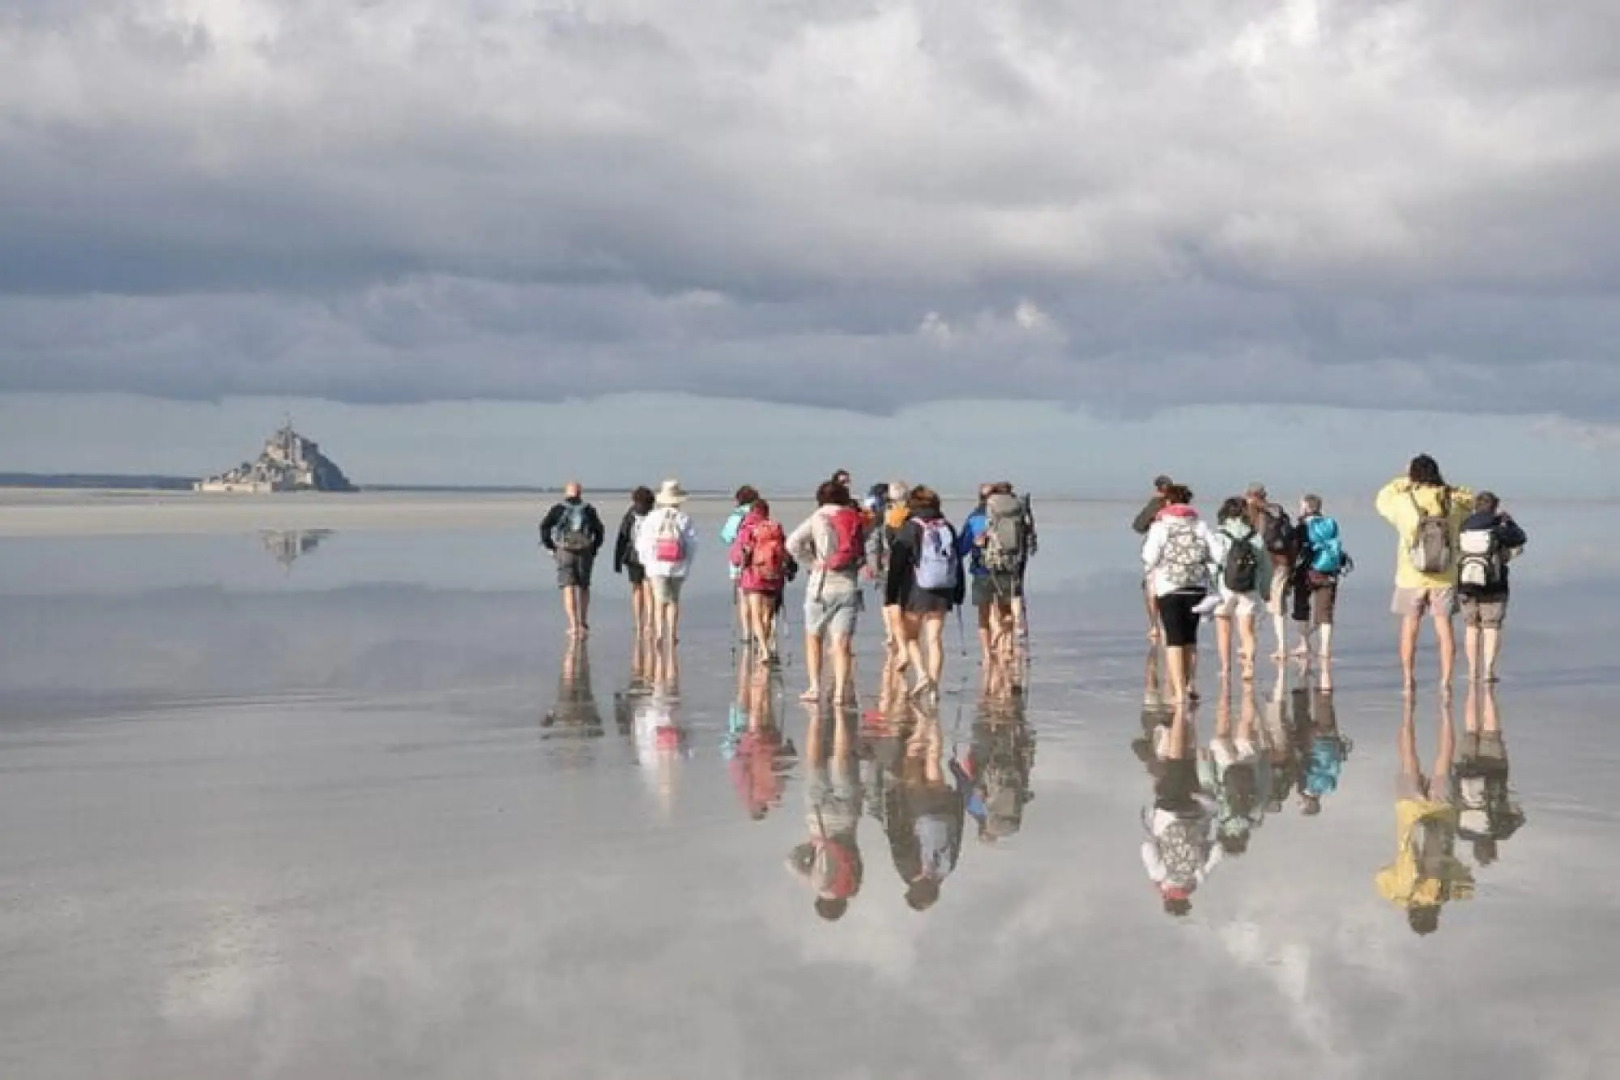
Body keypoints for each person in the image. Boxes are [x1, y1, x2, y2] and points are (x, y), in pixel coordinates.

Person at [1375, 692, 1473, 935]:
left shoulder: (1448, 890)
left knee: (1444, 760)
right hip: (1410, 813)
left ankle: (1446, 711)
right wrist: (1403, 899)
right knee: (1409, 760)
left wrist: (1443, 895)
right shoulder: (1400, 891)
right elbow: (1379, 877)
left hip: (1442, 813)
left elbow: (1469, 885)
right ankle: (1407, 711)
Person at [1376, 455, 1476, 690]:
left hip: (1411, 574)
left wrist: (1404, 481)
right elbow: (1471, 499)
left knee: (1410, 628)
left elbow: (1381, 499)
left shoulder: (1403, 501)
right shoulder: (1451, 501)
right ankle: (1446, 680)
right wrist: (1449, 487)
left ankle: (1408, 678)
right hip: (1445, 574)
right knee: (1444, 629)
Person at [787, 480, 868, 704]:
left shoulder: (818, 517)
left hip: (821, 585)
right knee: (841, 641)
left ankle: (814, 687)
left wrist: (812, 562)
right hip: (848, 584)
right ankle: (841, 691)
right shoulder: (854, 517)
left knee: (814, 636)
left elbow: (792, 543)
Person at [1141, 485, 1221, 704]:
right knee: (1190, 638)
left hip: (1169, 587)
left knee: (1174, 640)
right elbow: (1218, 554)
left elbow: (1149, 557)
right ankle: (1189, 683)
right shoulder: (1200, 526)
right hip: (1197, 587)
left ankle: (1179, 692)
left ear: (1167, 503)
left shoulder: (1160, 527)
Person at [787, 703, 865, 922]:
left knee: (841, 761)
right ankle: (815, 717)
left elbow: (856, 856)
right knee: (815, 762)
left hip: (847, 819)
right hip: (818, 819)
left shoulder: (853, 885)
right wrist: (812, 846)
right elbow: (792, 860)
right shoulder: (815, 882)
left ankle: (840, 717)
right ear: (819, 901)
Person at [1141, 701, 1220, 917]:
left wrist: (1203, 840)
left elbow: (1218, 849)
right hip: (1167, 813)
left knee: (1189, 760)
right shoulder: (1160, 876)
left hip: (1196, 810)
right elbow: (1147, 848)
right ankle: (1180, 710)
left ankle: (1188, 717)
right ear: (1167, 898)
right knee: (1174, 761)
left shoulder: (1198, 878)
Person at [885, 485, 964, 700]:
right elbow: (956, 562)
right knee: (935, 639)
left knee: (911, 637)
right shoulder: (946, 526)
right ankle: (934, 688)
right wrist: (958, 591)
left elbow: (897, 562)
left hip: (915, 590)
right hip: (943, 590)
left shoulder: (910, 527)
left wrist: (890, 595)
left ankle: (921, 674)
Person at [884, 705, 965, 911]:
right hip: (919, 811)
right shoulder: (908, 870)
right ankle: (922, 721)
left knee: (933, 761)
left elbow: (957, 836)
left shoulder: (946, 870)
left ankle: (933, 719)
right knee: (911, 761)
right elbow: (897, 835)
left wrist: (958, 803)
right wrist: (893, 800)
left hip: (945, 812)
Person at [1456, 492, 1527, 684]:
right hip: (1494, 584)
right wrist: (1509, 522)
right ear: (1495, 507)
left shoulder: (1464, 525)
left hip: (1467, 583)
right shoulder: (1497, 527)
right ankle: (1488, 671)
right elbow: (1521, 538)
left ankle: (1472, 671)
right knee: (1491, 627)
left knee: (1471, 627)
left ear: (1475, 506)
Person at [958, 481, 1025, 665]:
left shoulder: (975, 518)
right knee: (1006, 611)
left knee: (984, 616)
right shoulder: (1015, 515)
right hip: (1008, 568)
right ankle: (1005, 646)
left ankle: (988, 654)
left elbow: (962, 547)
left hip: (982, 570)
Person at [1292, 494, 1351, 683]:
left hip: (1306, 571)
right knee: (1325, 612)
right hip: (1329, 571)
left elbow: (1295, 548)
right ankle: (1325, 649)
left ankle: (1304, 644)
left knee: (1301, 607)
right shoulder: (1330, 523)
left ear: (1306, 508)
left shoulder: (1302, 526)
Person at [1211, 496, 1269, 684]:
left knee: (1223, 629)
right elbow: (1265, 566)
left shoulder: (1219, 535)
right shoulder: (1255, 536)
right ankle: (1249, 667)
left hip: (1223, 588)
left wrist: (1212, 585)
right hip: (1249, 587)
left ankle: (1225, 668)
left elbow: (1214, 564)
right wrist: (1265, 588)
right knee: (1247, 631)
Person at [635, 479, 700, 649]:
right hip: (678, 565)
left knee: (659, 600)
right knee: (673, 600)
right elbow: (692, 543)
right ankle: (672, 634)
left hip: (656, 566)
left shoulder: (652, 517)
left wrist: (647, 562)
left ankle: (659, 632)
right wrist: (687, 562)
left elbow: (643, 543)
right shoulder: (684, 518)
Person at [539, 481, 606, 640]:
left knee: (568, 587)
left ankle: (573, 625)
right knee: (584, 586)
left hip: (564, 551)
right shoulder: (588, 509)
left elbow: (544, 527)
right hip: (585, 551)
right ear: (580, 493)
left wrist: (551, 547)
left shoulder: (558, 509)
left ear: (566, 493)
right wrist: (594, 548)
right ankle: (583, 622)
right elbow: (599, 530)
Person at [730, 498, 790, 664]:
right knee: (767, 615)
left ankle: (763, 650)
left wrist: (738, 564)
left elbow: (736, 557)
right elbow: (785, 550)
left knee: (755, 614)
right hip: (773, 577)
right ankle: (767, 645)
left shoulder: (746, 529)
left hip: (752, 577)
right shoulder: (775, 527)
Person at [1244, 483, 1297, 661]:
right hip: (1282, 563)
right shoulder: (1278, 511)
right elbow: (1292, 539)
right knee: (1278, 606)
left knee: (1250, 604)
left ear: (1250, 496)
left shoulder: (1250, 513)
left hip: (1262, 564)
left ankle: (1248, 643)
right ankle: (1282, 647)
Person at [1133, 475, 1174, 641]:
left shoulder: (1155, 504)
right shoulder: (1181, 504)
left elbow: (1138, 526)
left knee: (1151, 589)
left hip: (1156, 552)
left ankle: (1155, 626)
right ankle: (1167, 624)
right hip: (1178, 552)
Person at [612, 486, 656, 638]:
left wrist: (617, 561)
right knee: (649, 588)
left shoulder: (630, 515)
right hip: (650, 556)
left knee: (636, 589)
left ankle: (638, 623)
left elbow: (622, 538)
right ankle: (650, 623)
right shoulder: (654, 514)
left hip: (633, 556)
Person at [720, 486, 761, 643]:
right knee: (757, 597)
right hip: (758, 561)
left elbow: (726, 537)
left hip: (739, 561)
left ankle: (747, 632)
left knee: (743, 597)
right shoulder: (760, 513)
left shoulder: (736, 515)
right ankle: (760, 631)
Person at [879, 479, 911, 660]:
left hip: (891, 562)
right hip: (911, 564)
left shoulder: (888, 514)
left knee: (891, 601)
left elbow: (883, 539)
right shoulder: (911, 513)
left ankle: (893, 635)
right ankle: (902, 635)